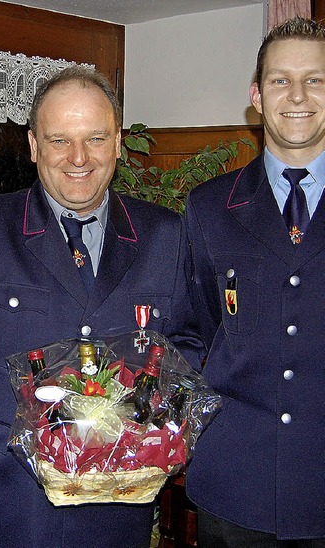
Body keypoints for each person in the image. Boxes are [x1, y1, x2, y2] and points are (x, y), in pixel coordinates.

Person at [0, 65, 204, 548]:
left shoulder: (165, 234)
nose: (78, 158)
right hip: (9, 503)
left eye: (95, 138)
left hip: (119, 501)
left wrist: (156, 427)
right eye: (58, 140)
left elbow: (189, 343)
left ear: (117, 143)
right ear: (32, 146)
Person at [184, 17, 325, 547]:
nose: (298, 95)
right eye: (280, 80)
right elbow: (194, 331)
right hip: (234, 484)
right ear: (256, 97)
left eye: (316, 79)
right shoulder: (208, 208)